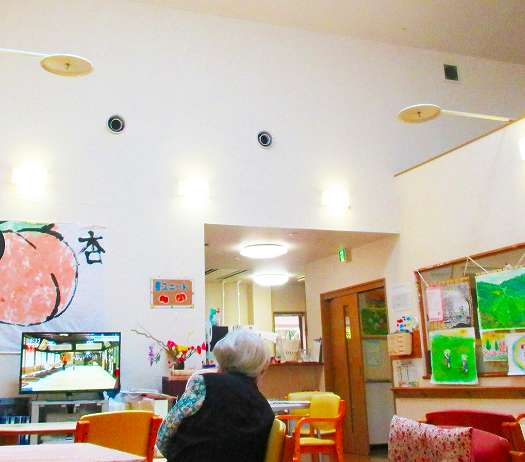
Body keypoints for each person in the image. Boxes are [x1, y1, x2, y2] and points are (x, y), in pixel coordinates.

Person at [156, 329, 274, 462]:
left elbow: (163, 437)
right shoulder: (266, 410)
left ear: (223, 359)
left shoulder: (203, 384)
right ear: (260, 368)